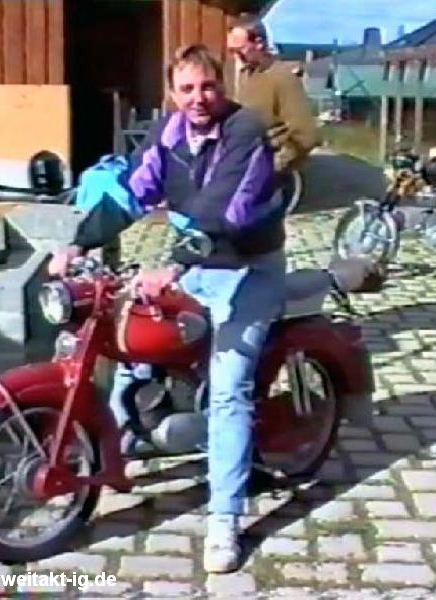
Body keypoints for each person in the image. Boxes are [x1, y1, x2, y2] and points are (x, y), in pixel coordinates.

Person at [48, 44, 287, 574]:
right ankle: (122, 447)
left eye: (208, 87)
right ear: (172, 94)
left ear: (222, 87)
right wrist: (78, 244)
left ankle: (225, 518)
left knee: (228, 389)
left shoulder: (246, 131)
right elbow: (131, 193)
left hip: (249, 269)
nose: (198, 98)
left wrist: (172, 268)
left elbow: (226, 209)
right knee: (135, 348)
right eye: (187, 89)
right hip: (197, 263)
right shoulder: (169, 134)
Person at [226, 14, 320, 205]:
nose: (235, 57)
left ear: (259, 43)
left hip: (266, 180)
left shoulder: (282, 78)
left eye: (240, 50)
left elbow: (307, 135)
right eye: (231, 50)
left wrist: (273, 165)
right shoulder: (241, 75)